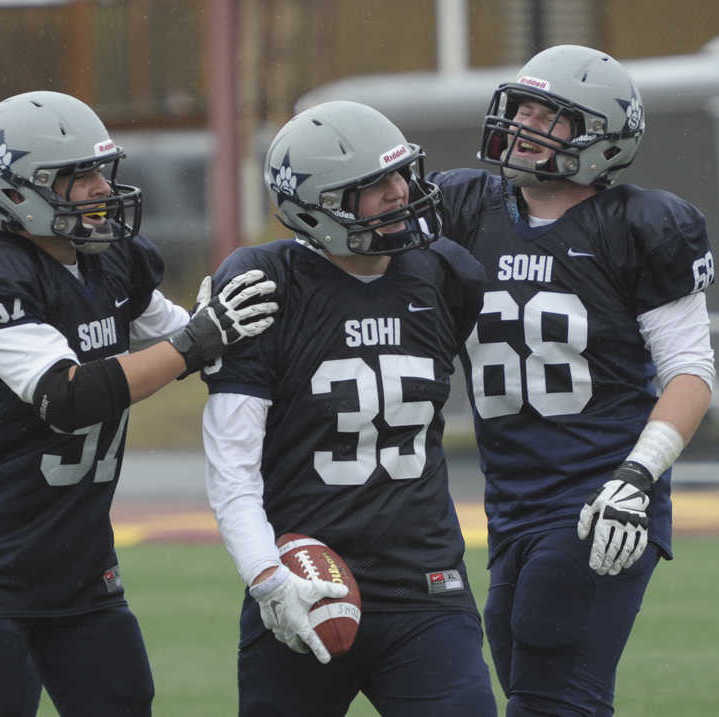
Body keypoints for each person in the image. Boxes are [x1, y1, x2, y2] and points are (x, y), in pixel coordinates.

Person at [0, 90, 278, 717]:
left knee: (124, 701)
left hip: (82, 567)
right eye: (75, 176)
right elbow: (67, 396)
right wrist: (198, 341)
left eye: (98, 171)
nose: (97, 188)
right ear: (15, 191)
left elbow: (182, 337)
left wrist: (225, 328)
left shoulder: (110, 261)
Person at [429, 45, 716, 715]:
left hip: (600, 492)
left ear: (600, 133)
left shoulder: (639, 225)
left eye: (546, 114)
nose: (522, 124)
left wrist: (638, 475)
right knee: (530, 672)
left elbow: (691, 371)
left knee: (549, 695)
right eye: (520, 107)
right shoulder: (466, 206)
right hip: (510, 498)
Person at [201, 100, 497, 716]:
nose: (400, 193)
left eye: (399, 175)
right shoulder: (266, 283)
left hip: (427, 586)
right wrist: (267, 577)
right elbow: (233, 465)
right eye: (373, 186)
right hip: (305, 578)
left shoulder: (444, 272)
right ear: (319, 206)